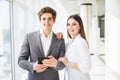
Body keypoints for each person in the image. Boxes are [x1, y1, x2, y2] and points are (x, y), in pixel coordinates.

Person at [18, 6, 65, 80]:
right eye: (44, 19)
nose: (46, 22)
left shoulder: (60, 40)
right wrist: (33, 66)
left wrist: (56, 63)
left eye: (49, 19)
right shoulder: (29, 37)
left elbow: (62, 64)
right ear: (40, 20)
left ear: (54, 21)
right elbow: (21, 61)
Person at [59, 14, 91, 80]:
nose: (70, 27)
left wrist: (68, 63)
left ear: (79, 26)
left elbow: (87, 66)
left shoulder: (81, 42)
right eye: (68, 24)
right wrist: (58, 37)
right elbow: (60, 51)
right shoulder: (69, 42)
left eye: (74, 24)